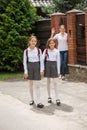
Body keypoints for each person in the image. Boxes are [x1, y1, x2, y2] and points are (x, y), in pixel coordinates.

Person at [23, 35, 44, 108]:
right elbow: (25, 62)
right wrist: (25, 72)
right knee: (30, 85)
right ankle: (31, 99)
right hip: (30, 68)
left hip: (37, 67)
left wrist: (41, 70)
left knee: (37, 85)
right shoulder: (26, 51)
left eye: (35, 41)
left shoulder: (38, 50)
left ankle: (39, 101)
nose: (33, 42)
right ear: (29, 41)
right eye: (32, 41)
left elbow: (41, 61)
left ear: (36, 42)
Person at [42, 38, 61, 105]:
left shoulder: (57, 51)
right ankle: (49, 97)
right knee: (48, 82)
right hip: (48, 66)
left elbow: (58, 61)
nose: (52, 44)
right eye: (50, 43)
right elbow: (42, 60)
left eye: (53, 43)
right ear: (48, 44)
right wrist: (42, 69)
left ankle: (57, 98)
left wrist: (58, 71)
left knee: (55, 82)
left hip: (54, 66)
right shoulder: (46, 50)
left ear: (54, 44)